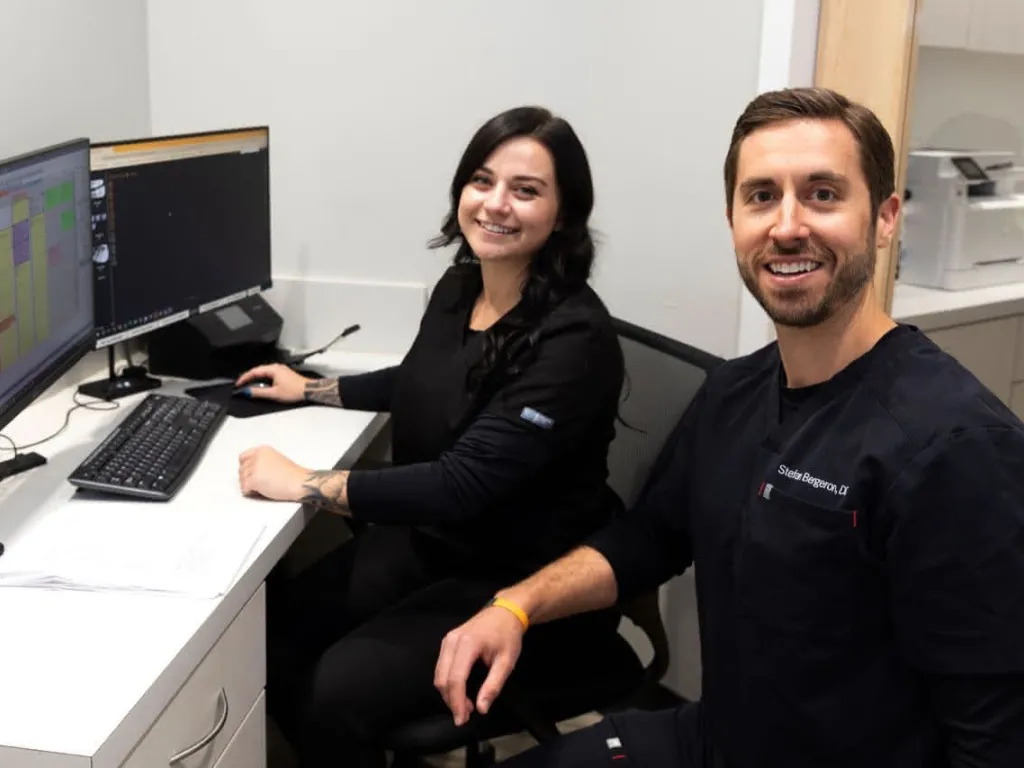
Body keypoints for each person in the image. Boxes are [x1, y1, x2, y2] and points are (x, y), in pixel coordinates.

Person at [434, 87, 1024, 768]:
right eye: (762, 195)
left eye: (824, 194)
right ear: (733, 217)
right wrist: (516, 605)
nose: (788, 225)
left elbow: (997, 736)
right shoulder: (734, 390)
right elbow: (650, 537)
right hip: (719, 738)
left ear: (885, 218)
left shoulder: (956, 446)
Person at [233, 106, 626, 767]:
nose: (496, 204)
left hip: (521, 580)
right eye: (482, 180)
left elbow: (460, 486)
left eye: (525, 190)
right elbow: (420, 379)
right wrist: (313, 387)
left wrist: (300, 484)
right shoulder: (462, 284)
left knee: (335, 692)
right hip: (433, 548)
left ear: (562, 215)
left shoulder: (573, 341)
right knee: (270, 641)